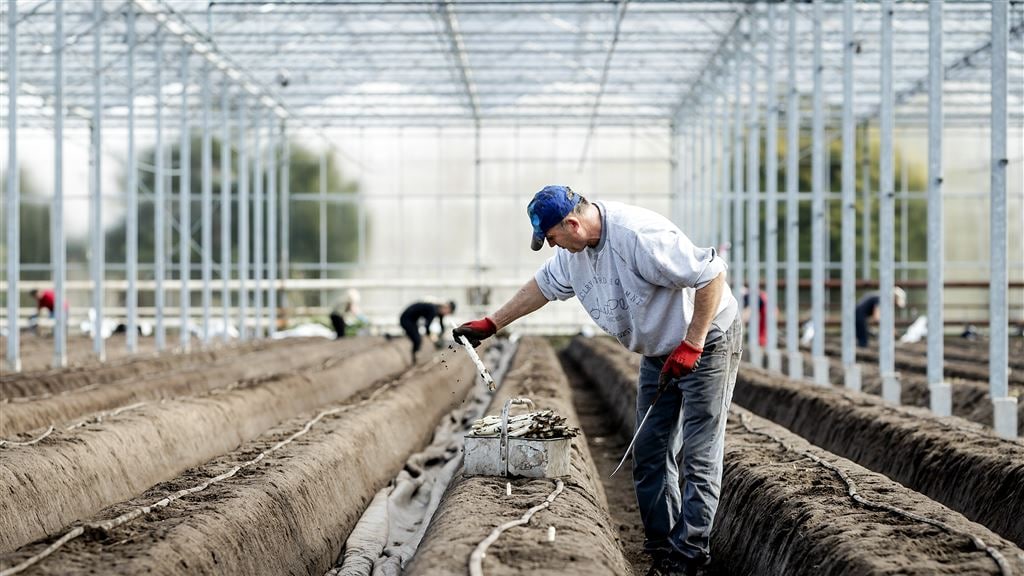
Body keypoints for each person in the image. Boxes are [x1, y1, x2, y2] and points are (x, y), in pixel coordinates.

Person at [453, 185, 741, 576]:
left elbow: (711, 274)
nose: (555, 247)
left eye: (554, 238)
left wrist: (693, 342)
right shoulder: (574, 254)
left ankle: (689, 557)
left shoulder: (638, 236)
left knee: (699, 450)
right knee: (651, 449)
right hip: (659, 348)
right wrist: (492, 324)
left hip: (707, 338)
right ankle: (662, 548)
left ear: (572, 223)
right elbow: (540, 288)